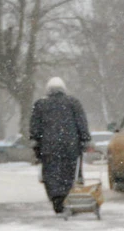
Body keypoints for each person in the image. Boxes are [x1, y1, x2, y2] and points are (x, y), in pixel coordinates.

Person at [29, 77, 90, 215]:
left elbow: (35, 128)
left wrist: (36, 144)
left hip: (49, 147)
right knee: (71, 173)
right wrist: (85, 139)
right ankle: (71, 198)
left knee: (52, 174)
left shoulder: (40, 105)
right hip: (71, 146)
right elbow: (81, 123)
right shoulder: (73, 103)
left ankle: (57, 200)